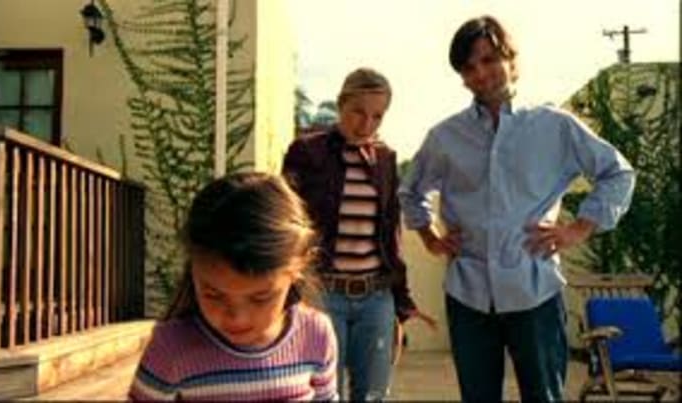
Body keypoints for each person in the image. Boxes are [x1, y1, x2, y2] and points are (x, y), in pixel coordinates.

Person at [398, 15, 636, 402]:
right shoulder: (445, 137)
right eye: (469, 67)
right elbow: (411, 192)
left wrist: (579, 228)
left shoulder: (555, 126)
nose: (480, 73)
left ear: (511, 60)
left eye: (489, 59)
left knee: (543, 396)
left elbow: (618, 173)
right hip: (468, 294)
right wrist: (430, 238)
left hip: (535, 292)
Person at [283, 67, 435, 401]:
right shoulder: (306, 152)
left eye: (377, 116)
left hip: (375, 298)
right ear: (341, 104)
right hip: (323, 294)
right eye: (358, 112)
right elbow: (287, 220)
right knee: (324, 393)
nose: (367, 124)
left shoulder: (385, 159)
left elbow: (390, 234)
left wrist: (402, 300)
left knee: (372, 395)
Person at [128, 172, 338, 401]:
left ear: (299, 266)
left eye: (260, 298)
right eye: (213, 294)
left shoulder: (316, 334)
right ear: (193, 268)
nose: (237, 318)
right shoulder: (171, 348)